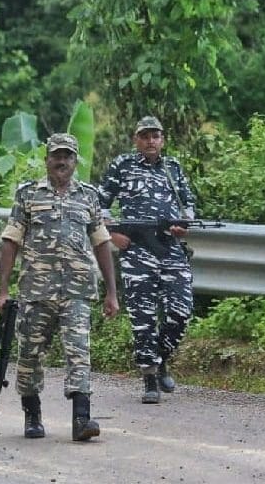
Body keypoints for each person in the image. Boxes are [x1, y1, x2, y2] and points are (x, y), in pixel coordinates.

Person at [0, 133, 119, 442]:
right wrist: (3, 290)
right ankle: (32, 414)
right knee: (30, 356)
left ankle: (81, 419)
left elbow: (101, 243)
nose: (61, 161)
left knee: (79, 352)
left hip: (77, 289)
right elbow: (11, 242)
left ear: (75, 161)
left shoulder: (88, 197)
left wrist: (111, 292)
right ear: (47, 159)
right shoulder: (28, 195)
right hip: (36, 290)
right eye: (56, 156)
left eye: (68, 156)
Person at [98, 115, 197, 404]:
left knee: (181, 311)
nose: (150, 141)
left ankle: (160, 358)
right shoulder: (122, 166)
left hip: (169, 247)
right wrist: (112, 233)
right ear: (136, 140)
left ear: (162, 139)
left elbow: (188, 204)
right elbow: (99, 205)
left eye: (155, 136)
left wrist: (183, 224)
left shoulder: (173, 168)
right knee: (143, 317)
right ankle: (150, 377)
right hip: (137, 249)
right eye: (145, 136)